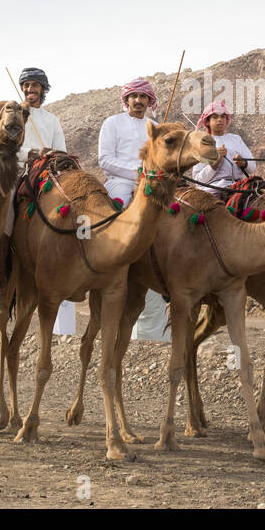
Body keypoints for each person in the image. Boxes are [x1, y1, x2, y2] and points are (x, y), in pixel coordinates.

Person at [0, 66, 75, 334]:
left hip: (47, 170)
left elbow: (61, 149)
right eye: (26, 86)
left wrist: (51, 156)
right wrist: (30, 153)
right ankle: (0, 269)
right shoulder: (12, 113)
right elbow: (5, 144)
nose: (30, 90)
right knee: (5, 207)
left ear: (43, 89)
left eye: (35, 86)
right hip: (18, 168)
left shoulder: (52, 120)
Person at [97, 78, 169, 342]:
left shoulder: (154, 128)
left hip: (152, 184)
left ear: (150, 101)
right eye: (134, 97)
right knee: (113, 217)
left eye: (144, 97)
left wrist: (152, 175)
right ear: (126, 100)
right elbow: (105, 159)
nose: (139, 101)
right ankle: (107, 265)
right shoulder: (112, 123)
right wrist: (136, 173)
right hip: (121, 182)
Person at [188, 99, 256, 193]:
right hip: (212, 190)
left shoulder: (236, 139)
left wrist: (244, 163)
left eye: (223, 116)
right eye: (215, 117)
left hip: (238, 188)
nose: (220, 120)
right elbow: (198, 180)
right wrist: (215, 162)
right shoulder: (202, 143)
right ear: (207, 121)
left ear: (226, 120)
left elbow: (252, 168)